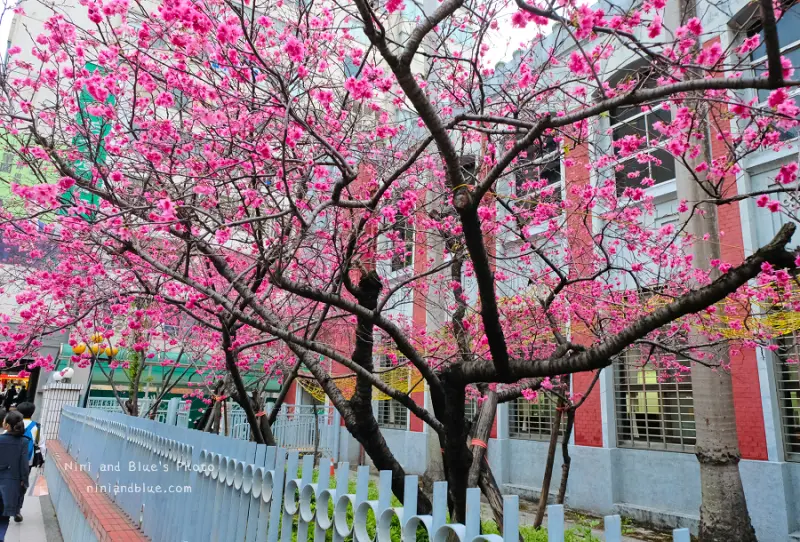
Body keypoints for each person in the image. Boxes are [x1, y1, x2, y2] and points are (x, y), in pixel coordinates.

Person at [0, 411, 30, 541]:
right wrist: (24, 482)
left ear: (6, 425)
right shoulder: (23, 442)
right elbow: (24, 466)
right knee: (4, 516)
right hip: (11, 484)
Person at [14, 402, 38, 524]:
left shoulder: (13, 423)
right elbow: (41, 445)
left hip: (11, 460)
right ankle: (17, 510)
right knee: (22, 484)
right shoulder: (36, 427)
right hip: (27, 462)